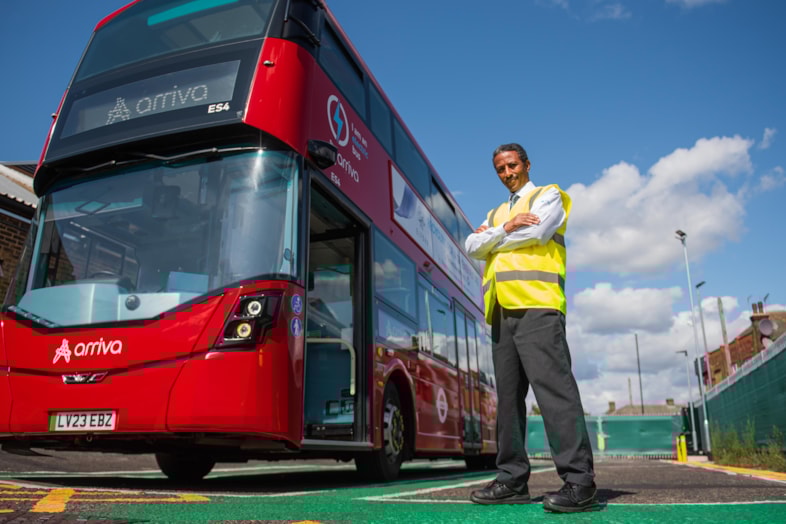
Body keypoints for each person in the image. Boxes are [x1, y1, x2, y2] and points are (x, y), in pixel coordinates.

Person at [465, 143, 597, 513]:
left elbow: (536, 235)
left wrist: (493, 240)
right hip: (501, 310)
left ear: (526, 164)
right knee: (507, 400)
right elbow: (471, 246)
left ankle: (580, 482)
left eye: (512, 165)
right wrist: (505, 228)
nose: (507, 173)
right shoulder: (496, 213)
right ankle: (511, 480)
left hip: (538, 306)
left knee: (554, 392)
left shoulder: (548, 196)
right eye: (500, 169)